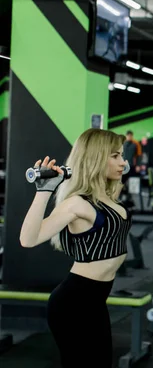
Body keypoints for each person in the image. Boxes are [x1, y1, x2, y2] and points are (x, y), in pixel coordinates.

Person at [19, 128, 130, 368]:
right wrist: (44, 190)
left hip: (96, 300)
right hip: (74, 302)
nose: (123, 162)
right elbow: (28, 239)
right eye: (115, 156)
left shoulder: (109, 196)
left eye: (122, 155)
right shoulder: (77, 203)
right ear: (95, 158)